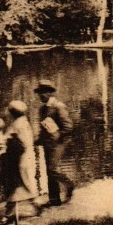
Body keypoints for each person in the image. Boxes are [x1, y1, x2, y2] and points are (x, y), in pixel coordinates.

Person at [34, 80, 75, 208]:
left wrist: (59, 135)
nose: (41, 95)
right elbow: (44, 128)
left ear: (50, 93)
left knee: (52, 170)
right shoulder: (42, 109)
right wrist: (38, 140)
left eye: (44, 92)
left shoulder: (58, 106)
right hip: (47, 144)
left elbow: (68, 126)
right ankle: (54, 200)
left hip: (58, 144)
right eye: (40, 93)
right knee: (48, 172)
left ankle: (69, 184)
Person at [0, 100, 38, 225]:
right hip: (25, 157)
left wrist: (3, 145)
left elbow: (16, 143)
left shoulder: (17, 125)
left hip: (18, 159)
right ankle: (35, 204)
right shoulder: (24, 122)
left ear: (13, 112)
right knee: (25, 183)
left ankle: (8, 215)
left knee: (14, 184)